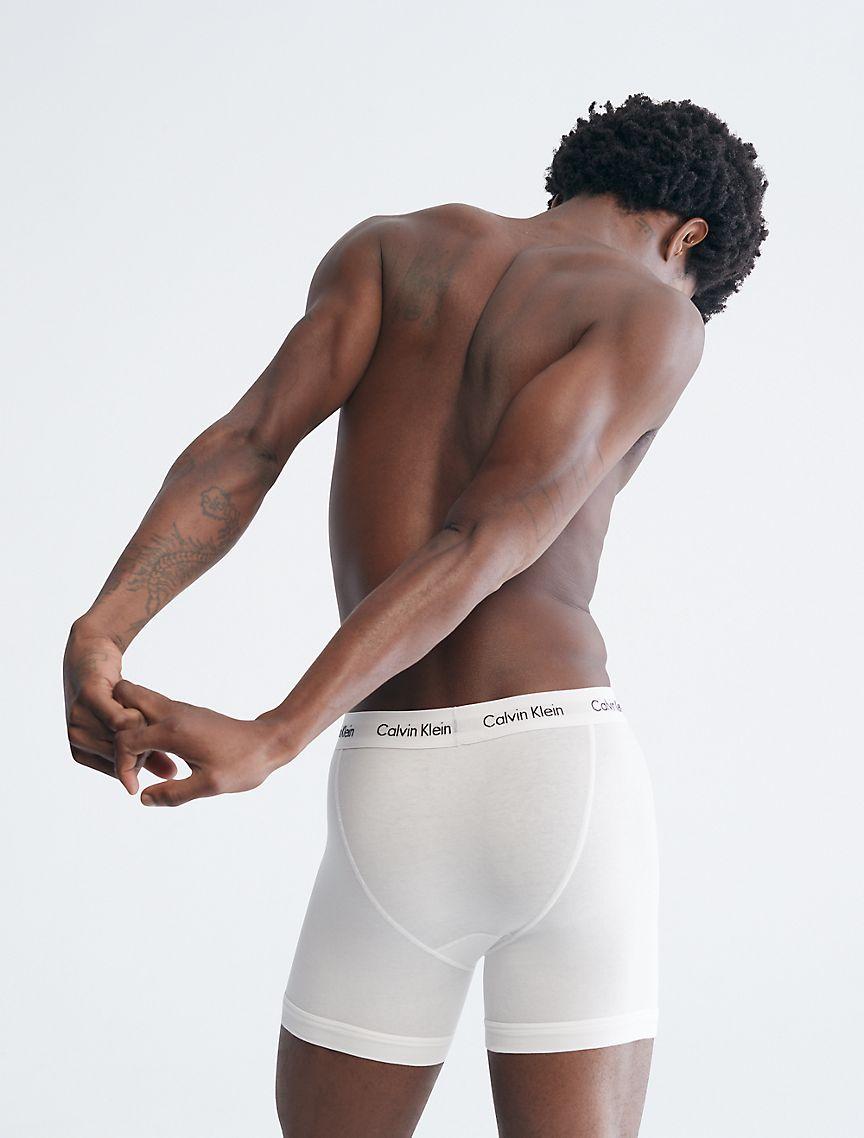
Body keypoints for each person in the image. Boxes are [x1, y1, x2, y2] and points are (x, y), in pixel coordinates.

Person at [63, 94, 768, 1137]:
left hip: (385, 784)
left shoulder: (393, 253)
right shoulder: (655, 312)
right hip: (553, 778)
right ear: (688, 238)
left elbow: (249, 443)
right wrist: (274, 733)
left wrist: (104, 628)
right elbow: (488, 535)